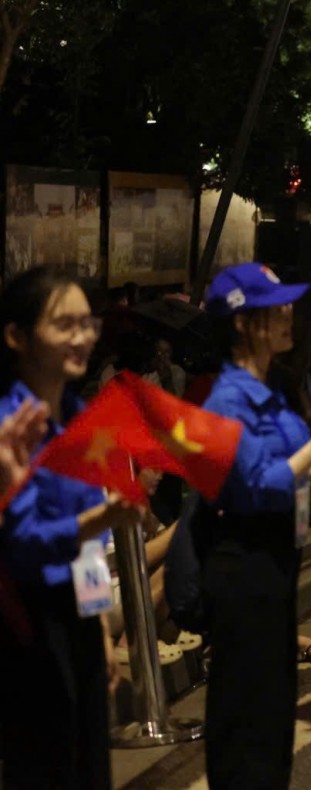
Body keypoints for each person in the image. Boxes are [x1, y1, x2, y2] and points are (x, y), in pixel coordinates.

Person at [200, 263, 311, 786]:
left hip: (274, 559)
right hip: (243, 562)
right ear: (244, 324)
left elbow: (286, 471)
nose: (290, 315)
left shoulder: (273, 387)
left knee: (272, 709)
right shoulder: (226, 400)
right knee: (245, 711)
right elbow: (255, 484)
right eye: (276, 308)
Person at [0, 266, 140, 789]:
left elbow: (89, 549)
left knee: (89, 763)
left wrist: (100, 625)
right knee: (45, 766)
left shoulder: (80, 419)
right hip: (25, 624)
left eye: (88, 323)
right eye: (65, 324)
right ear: (16, 336)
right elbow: (22, 546)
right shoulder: (10, 426)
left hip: (76, 619)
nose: (82, 337)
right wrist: (96, 519)